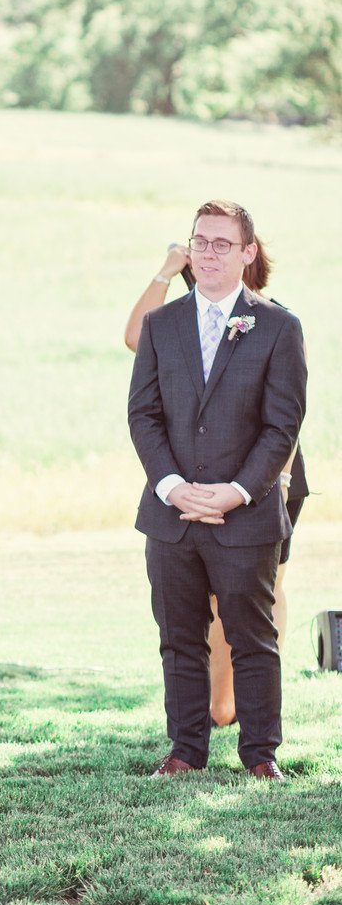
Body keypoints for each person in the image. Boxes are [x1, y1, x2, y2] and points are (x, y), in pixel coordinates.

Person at [128, 198, 306, 781]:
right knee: (179, 638)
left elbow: (284, 425)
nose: (208, 252)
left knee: (253, 638)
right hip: (173, 515)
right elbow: (144, 415)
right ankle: (184, 751)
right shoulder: (161, 325)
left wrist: (237, 491)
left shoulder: (278, 326)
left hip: (245, 514)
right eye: (200, 241)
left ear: (247, 253)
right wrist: (173, 487)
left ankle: (260, 756)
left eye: (222, 243)